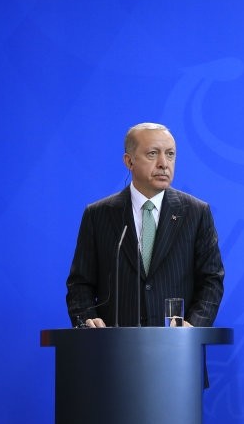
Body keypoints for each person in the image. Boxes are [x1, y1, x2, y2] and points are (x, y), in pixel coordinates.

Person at [66, 122, 225, 328]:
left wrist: (193, 326)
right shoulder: (99, 215)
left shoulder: (196, 212)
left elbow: (211, 280)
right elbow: (80, 283)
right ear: (129, 161)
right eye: (152, 154)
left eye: (170, 154)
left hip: (177, 348)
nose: (163, 163)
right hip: (114, 347)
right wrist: (88, 321)